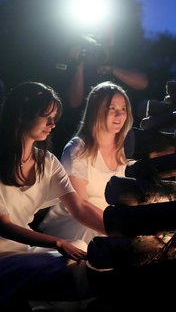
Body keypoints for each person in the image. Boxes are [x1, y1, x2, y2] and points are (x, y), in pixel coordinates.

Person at [0, 81, 106, 308]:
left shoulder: (46, 161)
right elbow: (4, 225)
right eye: (46, 116)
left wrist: (118, 231)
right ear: (21, 115)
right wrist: (57, 242)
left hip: (23, 250)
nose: (52, 123)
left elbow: (79, 207)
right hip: (2, 255)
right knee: (69, 260)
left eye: (55, 116)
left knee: (83, 247)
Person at [39, 81, 133, 248]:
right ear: (96, 110)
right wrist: (118, 229)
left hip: (112, 222)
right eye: (112, 109)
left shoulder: (125, 150)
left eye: (123, 109)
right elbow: (80, 205)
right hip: (77, 222)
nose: (119, 115)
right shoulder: (78, 148)